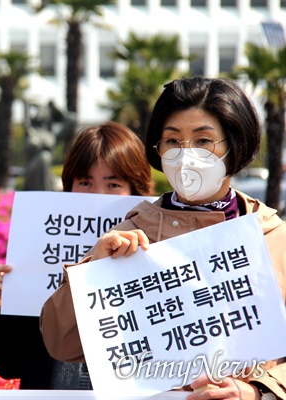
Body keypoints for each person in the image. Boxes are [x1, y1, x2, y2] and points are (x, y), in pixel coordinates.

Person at [40, 77, 286, 399]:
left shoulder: (272, 236)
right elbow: (63, 343)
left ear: (235, 144)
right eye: (172, 141)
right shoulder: (130, 232)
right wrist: (91, 272)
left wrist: (255, 390)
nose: (186, 155)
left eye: (203, 141)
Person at [0, 122, 155, 389]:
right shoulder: (39, 253)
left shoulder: (158, 256)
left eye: (113, 185)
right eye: (85, 182)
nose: (97, 196)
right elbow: (10, 365)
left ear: (136, 191)